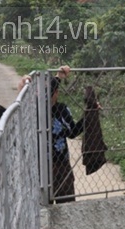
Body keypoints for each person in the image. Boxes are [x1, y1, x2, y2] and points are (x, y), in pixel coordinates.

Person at [50, 74, 84, 203]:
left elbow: (72, 132)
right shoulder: (32, 109)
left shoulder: (60, 109)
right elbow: (72, 132)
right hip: (51, 164)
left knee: (65, 203)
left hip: (60, 164)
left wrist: (89, 116)